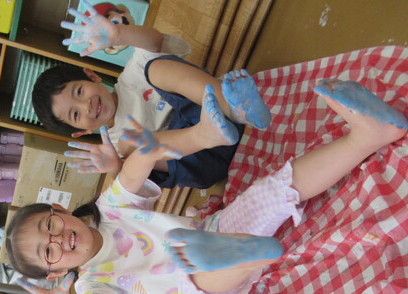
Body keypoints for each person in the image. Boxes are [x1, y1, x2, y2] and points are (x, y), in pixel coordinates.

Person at [2, 79, 408, 294]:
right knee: (198, 272)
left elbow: (132, 174)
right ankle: (247, 258)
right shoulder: (92, 283)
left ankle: (368, 137)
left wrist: (145, 151)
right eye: (49, 251)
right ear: (57, 273)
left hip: (214, 230)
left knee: (273, 189)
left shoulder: (109, 208)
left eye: (50, 225)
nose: (59, 238)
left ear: (61, 212)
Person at [32, 0, 272, 188]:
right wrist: (116, 168)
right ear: (82, 132)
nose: (86, 105)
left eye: (79, 91)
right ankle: (208, 133)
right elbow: (128, 188)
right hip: (199, 160)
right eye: (75, 114)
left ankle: (236, 108)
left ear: (92, 75)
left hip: (218, 113)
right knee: (128, 146)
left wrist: (120, 35)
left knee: (154, 67)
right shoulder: (112, 146)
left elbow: (154, 41)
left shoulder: (132, 75)